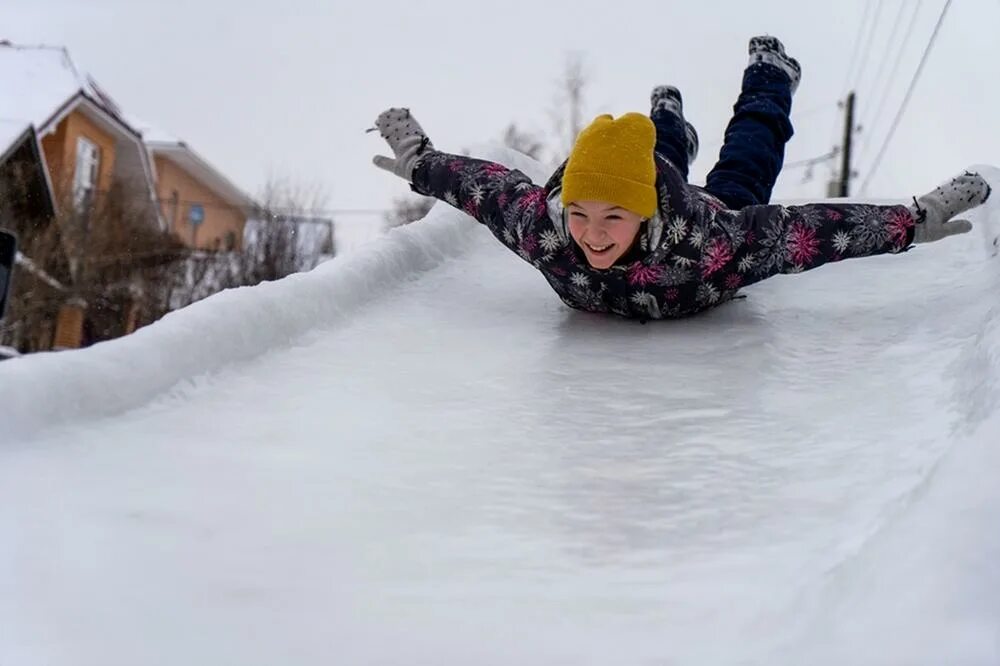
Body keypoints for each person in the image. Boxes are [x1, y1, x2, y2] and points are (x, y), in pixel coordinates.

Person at [370, 38, 991, 322]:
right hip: (648, 180)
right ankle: (666, 120)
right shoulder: (546, 225)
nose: (591, 234)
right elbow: (483, 188)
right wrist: (421, 160)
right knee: (654, 145)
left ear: (643, 214)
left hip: (709, 201)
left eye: (613, 218)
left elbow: (813, 229)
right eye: (580, 214)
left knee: (749, 155)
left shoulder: (715, 241)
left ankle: (769, 75)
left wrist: (911, 219)